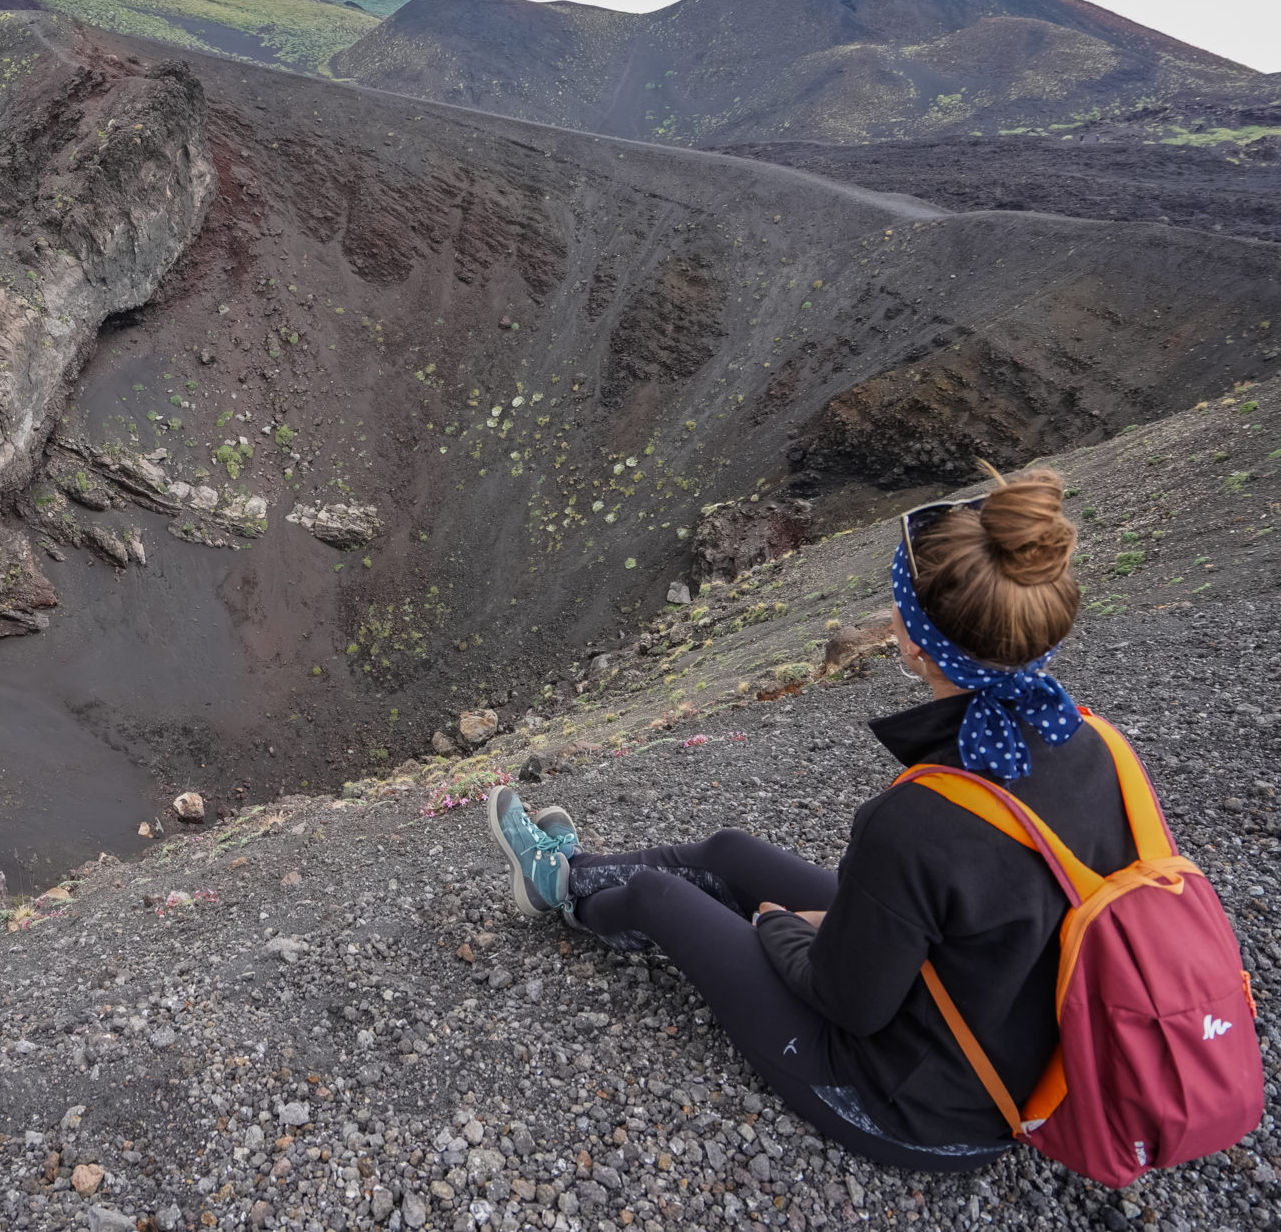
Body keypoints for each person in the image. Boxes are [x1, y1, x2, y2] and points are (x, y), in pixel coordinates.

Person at [486, 465, 1141, 1170]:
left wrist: (777, 924)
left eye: (897, 602)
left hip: (915, 1103)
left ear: (916, 643)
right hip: (985, 1023)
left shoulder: (917, 819)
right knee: (729, 850)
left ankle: (558, 892)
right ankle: (573, 868)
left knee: (657, 896)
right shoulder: (1098, 745)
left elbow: (848, 1002)